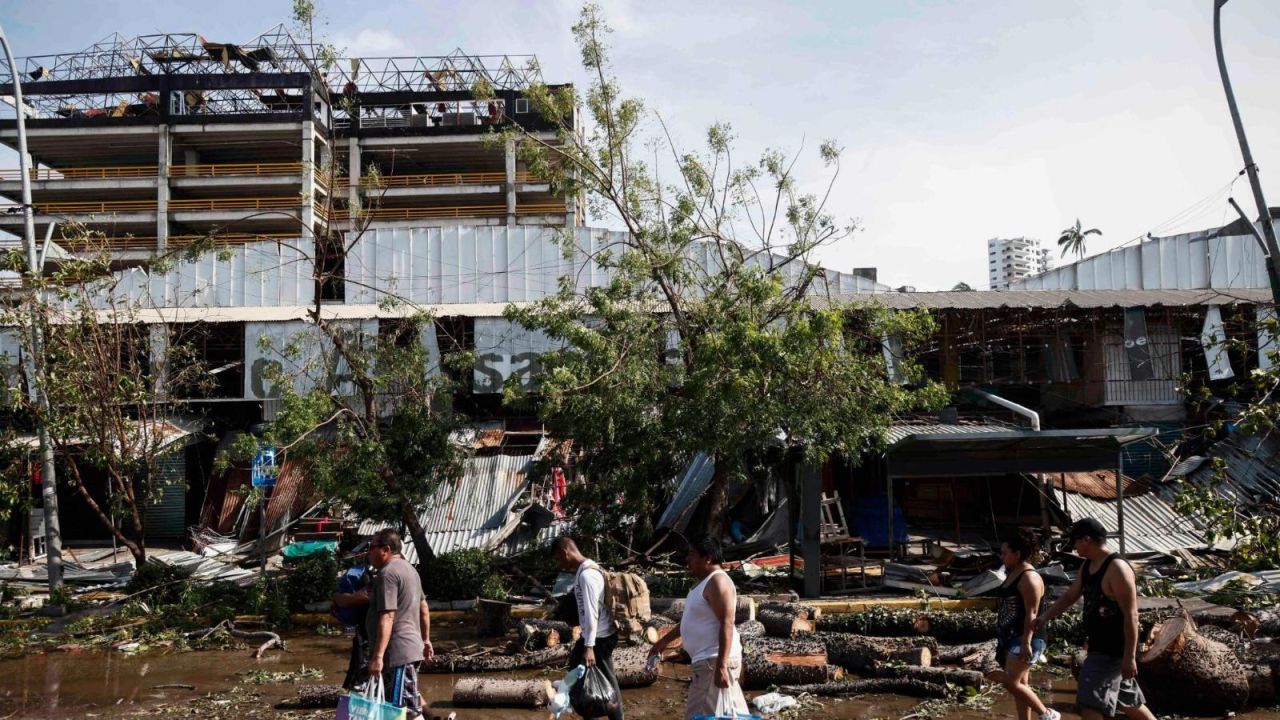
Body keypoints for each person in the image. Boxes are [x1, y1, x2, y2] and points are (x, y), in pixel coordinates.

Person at [1035, 518, 1156, 720]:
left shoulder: (1117, 568)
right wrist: (1045, 616)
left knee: (1089, 705)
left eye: (1075, 541)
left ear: (1087, 539)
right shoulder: (1088, 566)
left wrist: (1129, 657)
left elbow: (1131, 615)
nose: (1073, 547)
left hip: (1113, 650)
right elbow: (1070, 596)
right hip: (1099, 647)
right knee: (1128, 702)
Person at [646, 536, 748, 720]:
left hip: (714, 661)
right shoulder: (703, 583)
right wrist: (662, 642)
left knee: (698, 715)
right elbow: (687, 621)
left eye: (692, 554)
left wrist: (722, 666)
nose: (688, 559)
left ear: (707, 557)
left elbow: (727, 622)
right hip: (709, 661)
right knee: (731, 715)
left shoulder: (718, 581)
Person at [987, 529, 1059, 720]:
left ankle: (1047, 714)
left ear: (1017, 554)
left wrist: (1026, 642)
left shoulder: (1029, 578)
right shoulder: (1014, 573)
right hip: (1011, 636)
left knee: (1011, 682)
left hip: (1027, 638)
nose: (1002, 557)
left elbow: (1032, 613)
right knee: (1021, 686)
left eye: (1005, 553)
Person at [552, 536, 623, 720]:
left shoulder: (587, 575)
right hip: (595, 636)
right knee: (582, 678)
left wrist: (589, 646)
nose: (560, 564)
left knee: (607, 686)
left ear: (564, 552)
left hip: (599, 637)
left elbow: (592, 613)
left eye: (558, 559)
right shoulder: (586, 570)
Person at [366, 529, 433, 720]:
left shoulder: (387, 574)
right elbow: (424, 608)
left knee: (405, 712)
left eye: (372, 547)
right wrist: (426, 639)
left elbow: (388, 616)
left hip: (398, 654)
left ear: (385, 549)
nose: (368, 553)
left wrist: (377, 656)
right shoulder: (410, 569)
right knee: (401, 708)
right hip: (409, 651)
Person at [333, 563, 373, 690]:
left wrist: (336, 597)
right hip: (365, 633)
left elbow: (355, 599)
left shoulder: (383, 575)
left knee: (360, 679)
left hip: (370, 637)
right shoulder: (374, 574)